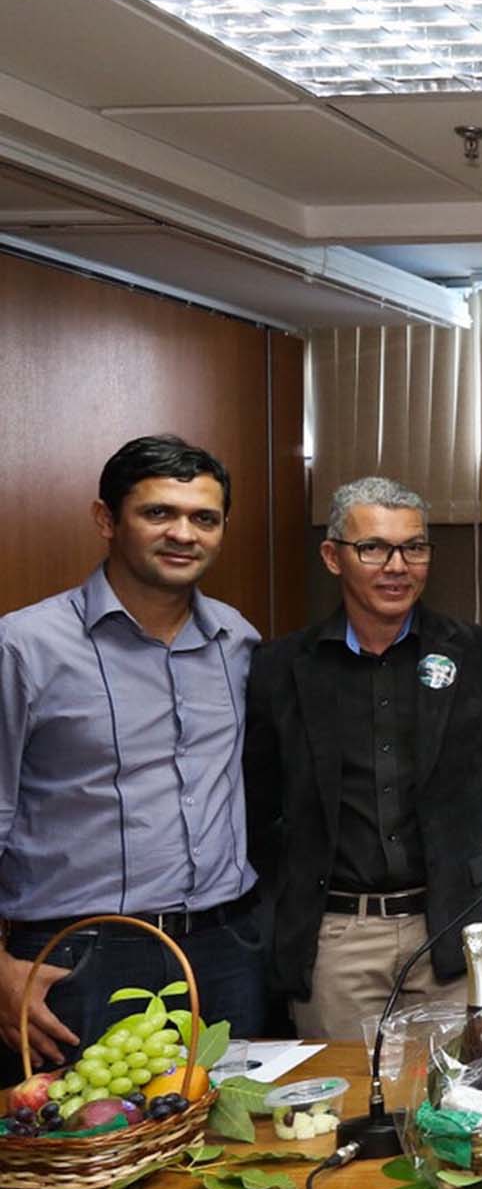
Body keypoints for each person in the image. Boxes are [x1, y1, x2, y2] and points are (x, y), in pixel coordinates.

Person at [245, 477, 482, 1040]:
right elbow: (258, 806)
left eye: (414, 548)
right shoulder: (282, 666)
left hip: (456, 931)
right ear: (332, 556)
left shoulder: (481, 656)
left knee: (461, 1089)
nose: (397, 566)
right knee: (344, 1091)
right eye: (374, 548)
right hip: (338, 940)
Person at [0, 436, 265, 1066]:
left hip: (224, 951)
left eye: (204, 518)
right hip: (76, 960)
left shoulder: (238, 641)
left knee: (234, 1127)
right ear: (106, 519)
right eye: (158, 513)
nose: (184, 534)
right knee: (83, 1129)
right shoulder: (24, 648)